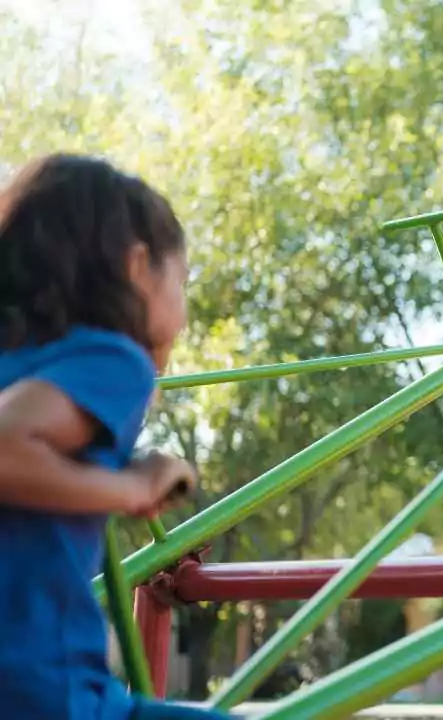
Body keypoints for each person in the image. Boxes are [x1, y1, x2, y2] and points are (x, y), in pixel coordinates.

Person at [0, 154, 233, 718]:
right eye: (182, 280)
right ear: (138, 267)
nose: (184, 310)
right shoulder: (112, 359)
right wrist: (133, 488)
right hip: (42, 688)